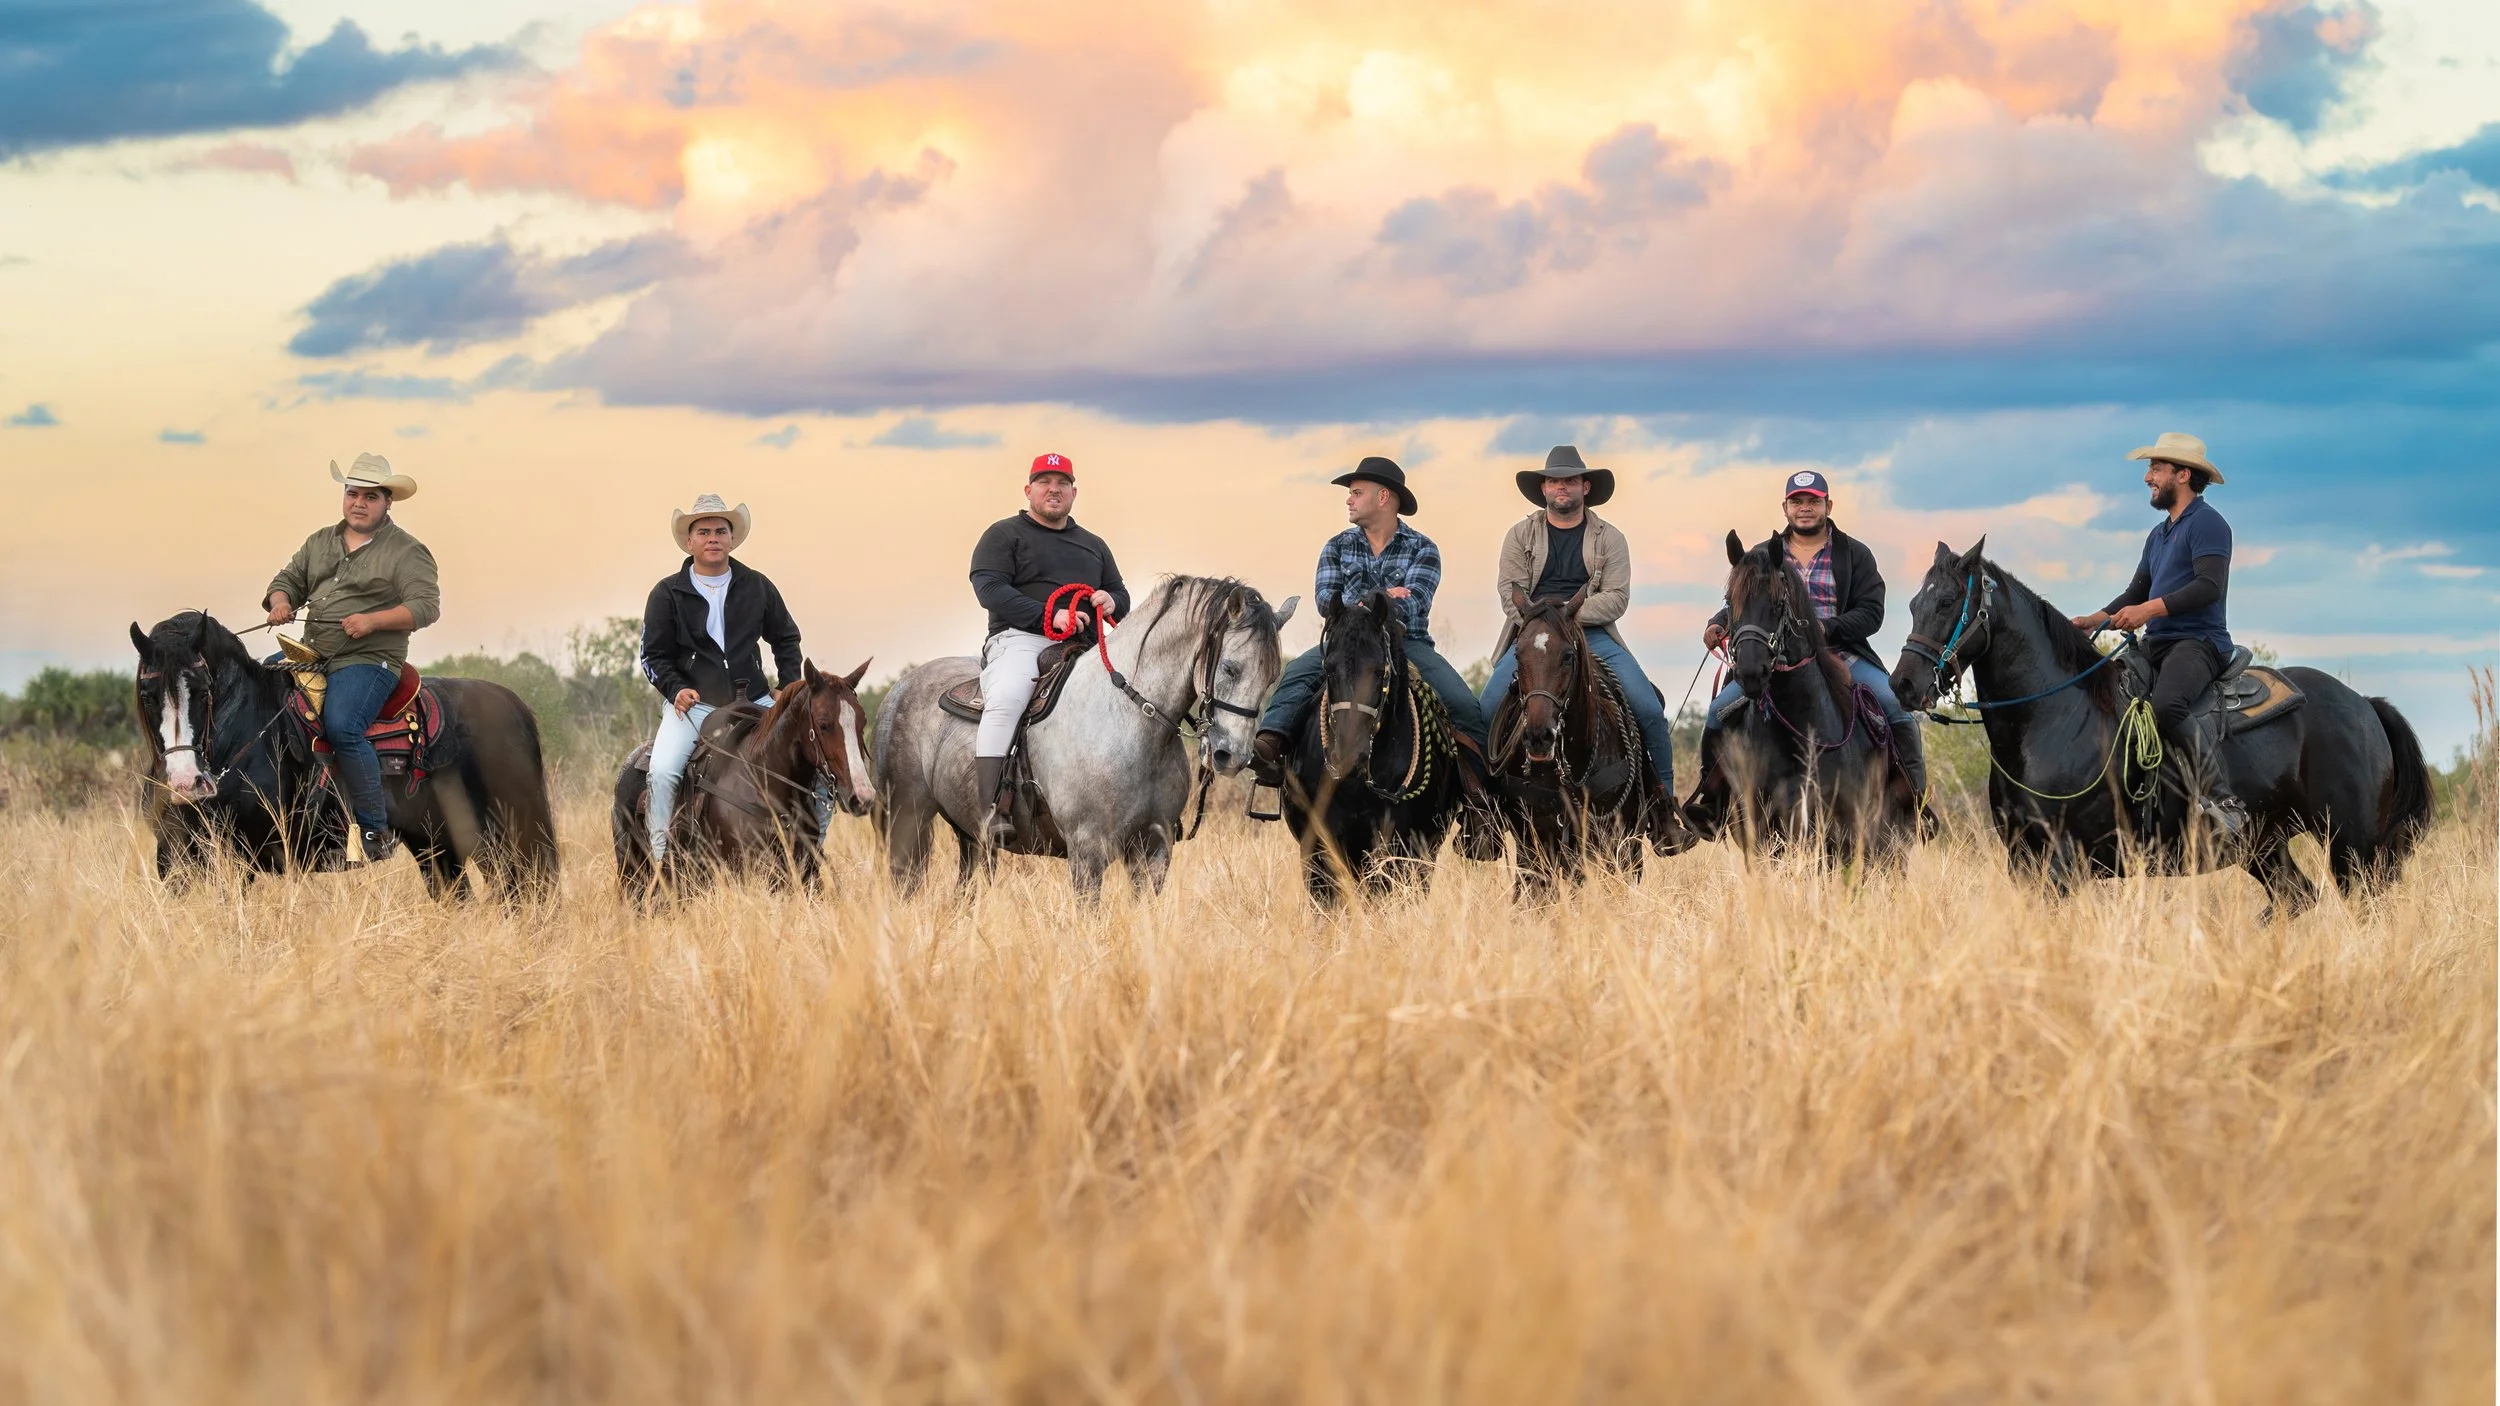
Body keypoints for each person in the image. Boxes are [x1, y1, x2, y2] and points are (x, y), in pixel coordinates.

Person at [1248, 456, 1493, 805]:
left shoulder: (1423, 549)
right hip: (1345, 644)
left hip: (1408, 644)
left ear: (1383, 498)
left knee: (1464, 706)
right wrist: (1381, 597)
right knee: (1297, 674)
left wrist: (1365, 602)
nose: (1349, 500)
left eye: (1356, 492)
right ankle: (1270, 746)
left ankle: (1477, 802)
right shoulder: (1336, 546)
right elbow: (1326, 600)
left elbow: (1415, 602)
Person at [1480, 445, 1684, 830]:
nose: (1562, 487)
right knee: (1487, 707)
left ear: (1585, 487)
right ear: (1543, 488)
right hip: (1536, 638)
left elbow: (1617, 598)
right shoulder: (1519, 536)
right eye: (1555, 480)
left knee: (1649, 709)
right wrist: (1547, 622)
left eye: (1570, 480)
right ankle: (1484, 812)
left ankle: (1663, 806)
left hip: (1593, 636)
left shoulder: (1610, 538)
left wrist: (1567, 617)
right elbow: (1511, 595)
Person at [1700, 469, 1927, 799]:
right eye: (1797, 501)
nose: (1805, 507)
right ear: (1785, 508)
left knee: (1895, 707)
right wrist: (1718, 622)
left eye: (1813, 501)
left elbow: (1872, 612)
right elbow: (1746, 602)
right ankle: (1712, 805)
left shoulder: (1854, 553)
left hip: (1842, 653)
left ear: (1828, 506)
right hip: (1777, 657)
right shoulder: (1764, 554)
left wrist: (1826, 628)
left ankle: (1914, 803)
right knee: (1718, 711)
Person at [2068, 432, 2246, 847]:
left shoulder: (2208, 523)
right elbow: (2137, 591)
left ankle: (2224, 801)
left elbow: (2208, 587)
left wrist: (2149, 612)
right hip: (2160, 644)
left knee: (2167, 705)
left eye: (2155, 469)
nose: (2147, 477)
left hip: (2200, 643)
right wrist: (2101, 617)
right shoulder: (2158, 534)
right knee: (2110, 698)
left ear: (2183, 475)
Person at [263, 453, 441, 864]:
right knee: (254, 688)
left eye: (370, 496)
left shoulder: (407, 551)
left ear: (387, 502)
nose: (359, 502)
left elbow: (426, 606)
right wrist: (281, 603)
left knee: (343, 726)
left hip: (368, 658)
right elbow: (286, 580)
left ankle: (373, 830)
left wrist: (374, 621)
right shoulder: (320, 541)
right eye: (352, 493)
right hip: (311, 653)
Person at [968, 452, 1129, 846]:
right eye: (1044, 482)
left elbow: (1121, 594)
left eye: (1061, 483)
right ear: (1028, 490)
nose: (1053, 489)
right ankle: (992, 808)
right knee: (1006, 698)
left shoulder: (1094, 545)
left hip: (1085, 648)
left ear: (1074, 492)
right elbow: (989, 589)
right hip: (1021, 640)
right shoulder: (1003, 535)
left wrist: (1112, 601)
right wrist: (1047, 616)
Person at [637, 494, 806, 864]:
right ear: (689, 541)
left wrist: (788, 686)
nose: (713, 537)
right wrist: (676, 688)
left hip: (757, 703)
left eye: (720, 531)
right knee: (664, 772)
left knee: (811, 766)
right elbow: (653, 655)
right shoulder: (668, 593)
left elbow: (786, 638)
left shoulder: (757, 585)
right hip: (695, 707)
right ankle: (661, 860)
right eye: (704, 531)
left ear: (732, 539)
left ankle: (812, 850)